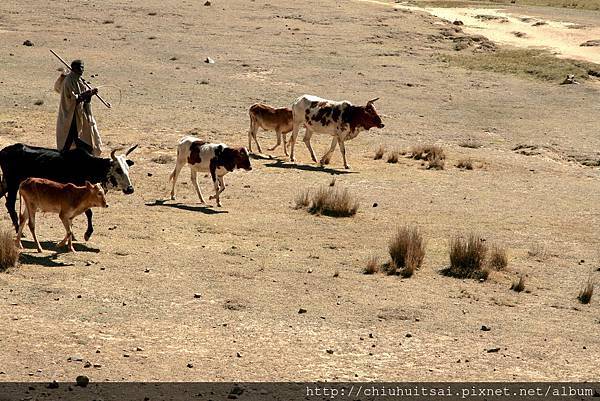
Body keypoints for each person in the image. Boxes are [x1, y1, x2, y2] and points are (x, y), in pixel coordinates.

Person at [54, 59, 103, 155]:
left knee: (85, 136)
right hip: (70, 116)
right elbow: (72, 100)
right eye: (80, 68)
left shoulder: (79, 81)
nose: (82, 70)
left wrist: (89, 96)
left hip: (79, 114)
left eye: (83, 68)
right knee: (69, 138)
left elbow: (84, 101)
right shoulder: (68, 81)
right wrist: (86, 94)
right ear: (74, 68)